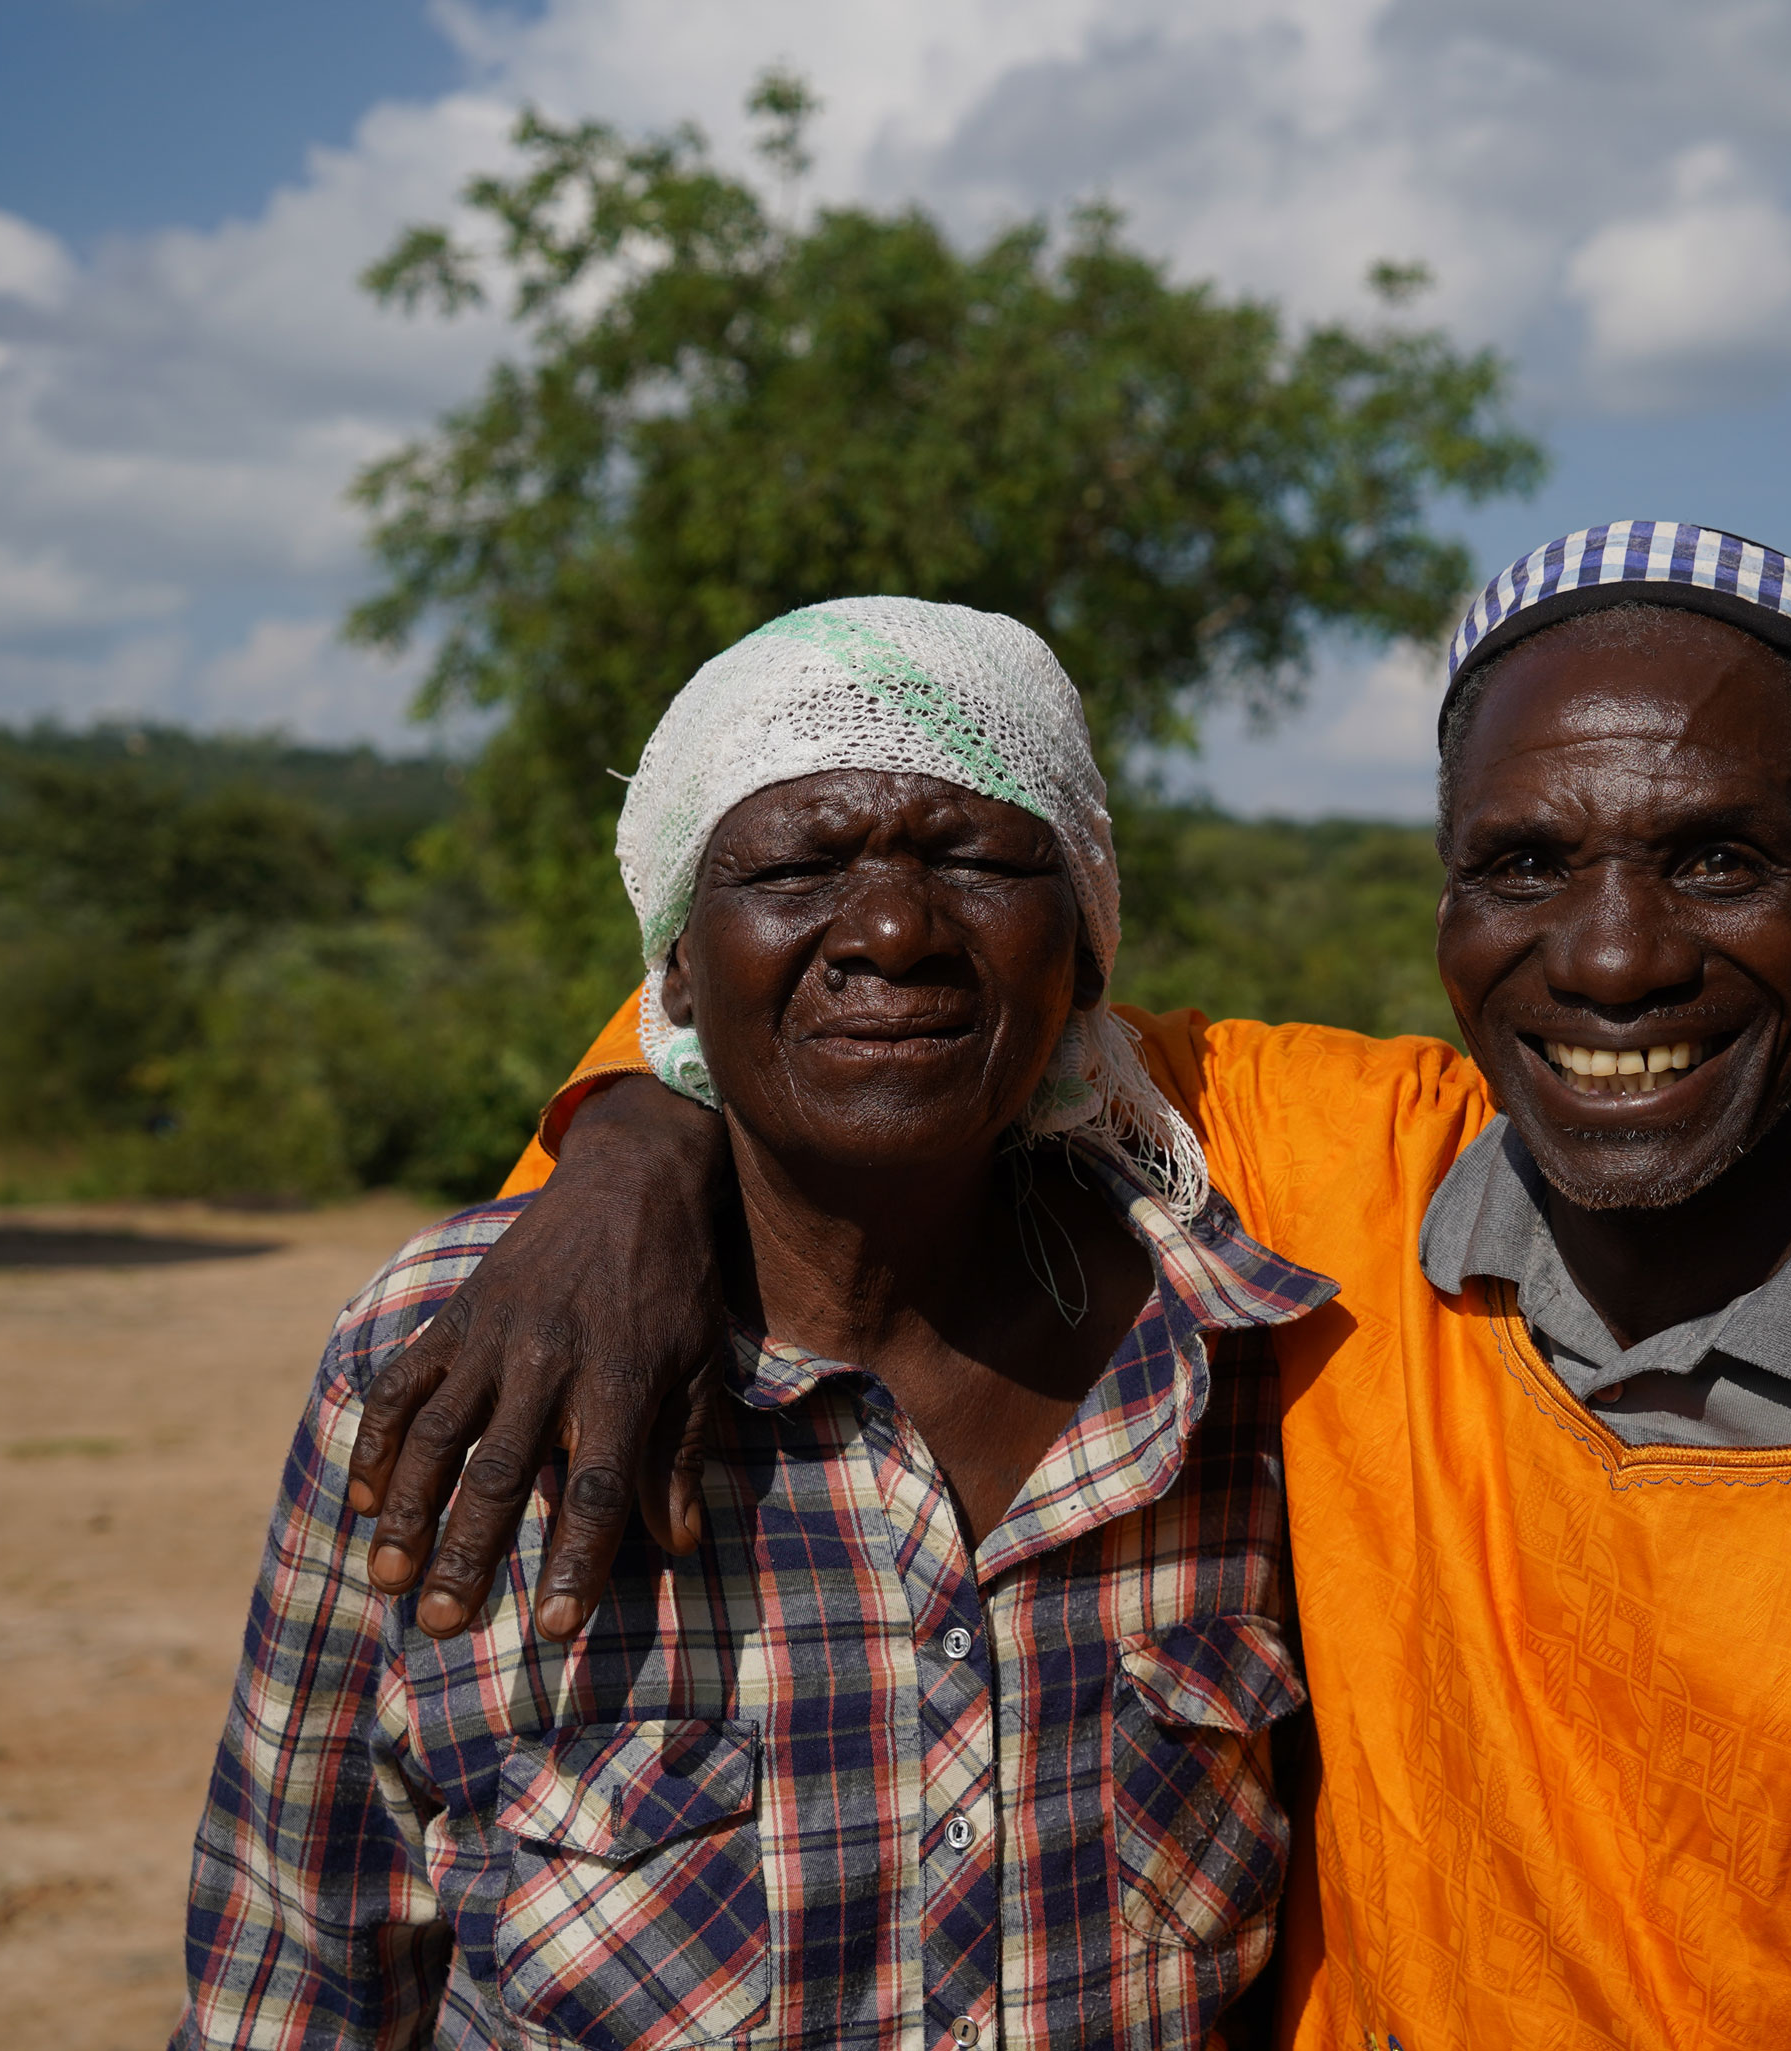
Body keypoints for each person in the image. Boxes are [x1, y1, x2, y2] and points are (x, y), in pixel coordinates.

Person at [354, 524, 1791, 2046]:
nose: (1608, 961)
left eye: (1714, 858)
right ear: (1438, 900)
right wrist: (619, 1150)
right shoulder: (1342, 1190)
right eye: (1521, 867)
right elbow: (893, 999)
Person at [176, 599, 1332, 2049]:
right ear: (670, 967)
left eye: (978, 857)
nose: (897, 931)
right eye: (795, 866)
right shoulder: (453, 1355)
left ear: (1087, 945)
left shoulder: (1235, 1365)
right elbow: (294, 1991)